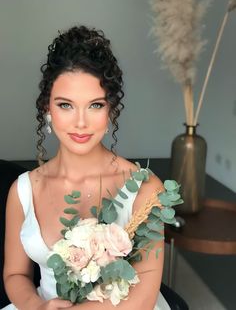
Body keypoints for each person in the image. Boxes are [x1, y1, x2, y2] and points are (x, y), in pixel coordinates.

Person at [3, 25, 170, 310]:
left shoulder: (145, 188)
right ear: (47, 109)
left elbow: (143, 297)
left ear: (111, 110)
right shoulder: (23, 191)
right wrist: (36, 306)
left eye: (94, 105)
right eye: (66, 105)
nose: (80, 122)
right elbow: (15, 274)